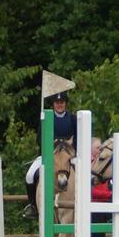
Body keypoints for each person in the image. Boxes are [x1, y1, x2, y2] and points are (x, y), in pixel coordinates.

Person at [23, 91, 78, 219]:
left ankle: (83, 202)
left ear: (65, 104)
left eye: (62, 102)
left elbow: (77, 138)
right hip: (49, 154)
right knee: (30, 175)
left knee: (84, 173)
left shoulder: (72, 119)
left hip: (68, 155)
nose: (59, 105)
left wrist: (71, 151)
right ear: (53, 104)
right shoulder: (46, 118)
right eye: (57, 103)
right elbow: (40, 140)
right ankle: (32, 206)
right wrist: (50, 149)